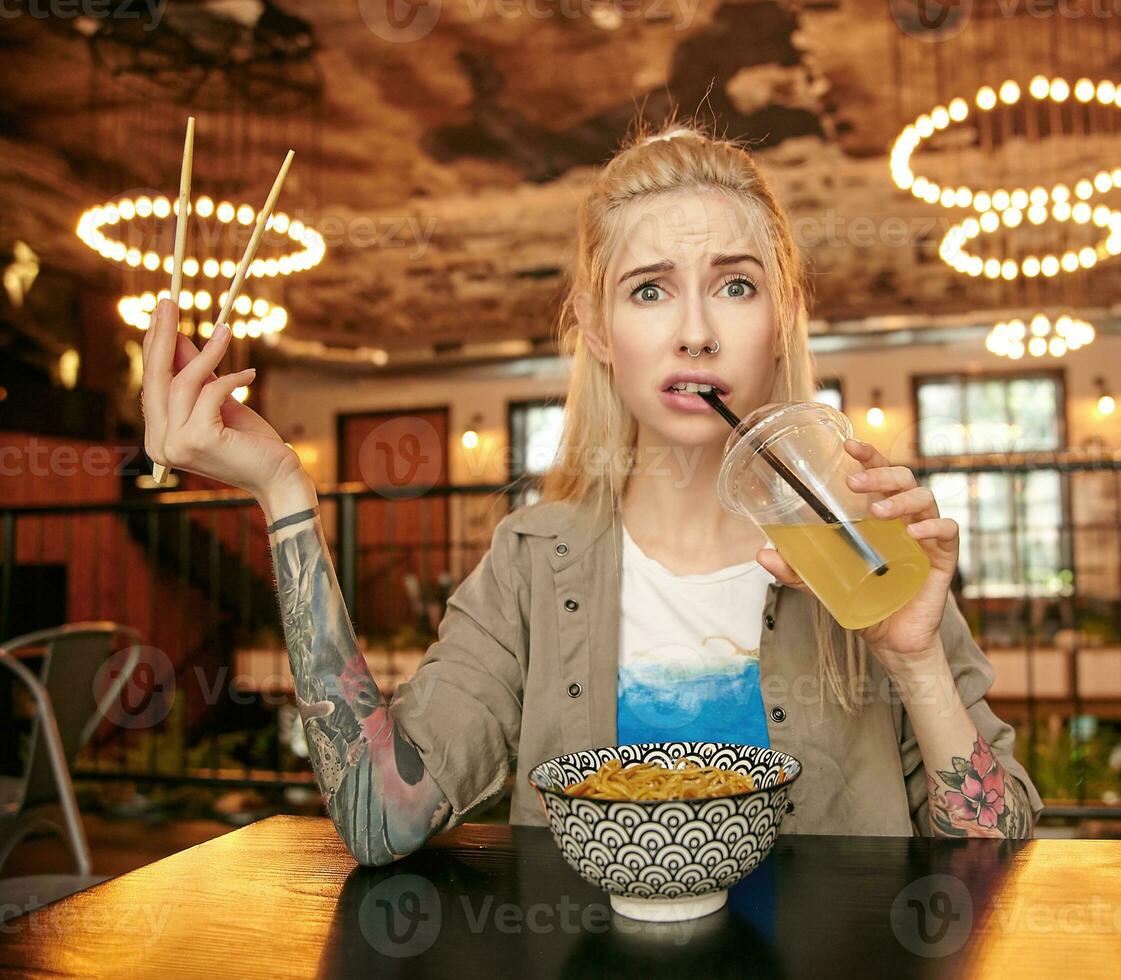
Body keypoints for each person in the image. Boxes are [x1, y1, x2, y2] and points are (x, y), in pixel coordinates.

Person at [141, 122, 1043, 867]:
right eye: (650, 291)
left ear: (782, 315)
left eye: (735, 285)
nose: (695, 332)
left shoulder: (867, 547)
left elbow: (993, 859)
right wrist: (282, 490)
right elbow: (381, 820)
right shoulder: (532, 563)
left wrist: (915, 658)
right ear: (601, 331)